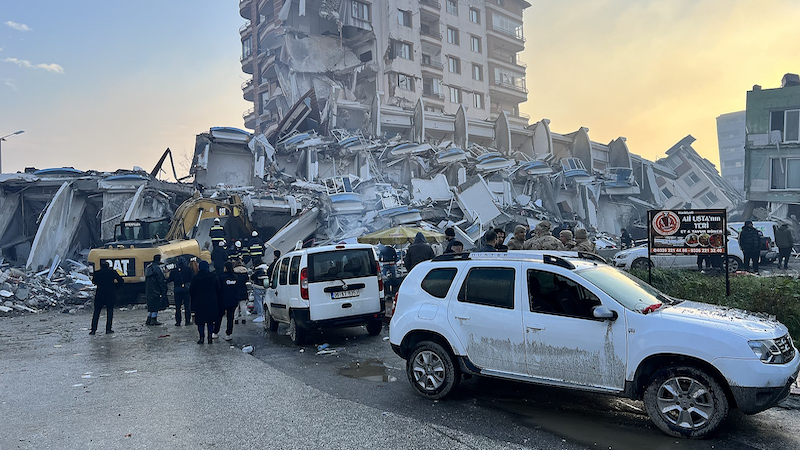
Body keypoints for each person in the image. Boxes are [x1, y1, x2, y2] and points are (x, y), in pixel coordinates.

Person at [190, 260, 220, 344]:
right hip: (211, 301)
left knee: (200, 321)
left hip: (199, 302)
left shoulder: (196, 277)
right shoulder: (213, 276)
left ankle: (201, 338)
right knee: (210, 321)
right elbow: (218, 288)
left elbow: (191, 290)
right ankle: (210, 337)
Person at [90, 261, 123, 335]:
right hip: (110, 293)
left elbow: (94, 282)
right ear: (108, 266)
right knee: (110, 311)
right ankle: (108, 329)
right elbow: (121, 280)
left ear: (101, 266)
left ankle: (93, 330)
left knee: (96, 312)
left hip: (100, 293)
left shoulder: (97, 273)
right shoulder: (112, 272)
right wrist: (115, 287)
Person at [215, 262, 241, 341]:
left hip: (222, 300)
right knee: (230, 318)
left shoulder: (221, 277)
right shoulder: (236, 277)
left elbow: (218, 289)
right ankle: (228, 334)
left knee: (219, 317)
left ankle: (215, 332)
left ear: (225, 268)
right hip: (233, 300)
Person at [166, 257, 193, 326]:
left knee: (178, 307)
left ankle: (178, 322)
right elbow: (192, 279)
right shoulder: (188, 269)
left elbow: (169, 280)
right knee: (187, 306)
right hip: (186, 290)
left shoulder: (174, 271)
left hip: (177, 290)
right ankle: (187, 321)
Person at [144, 254, 168, 326]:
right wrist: (164, 290)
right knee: (155, 304)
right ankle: (153, 319)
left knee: (151, 305)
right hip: (156, 289)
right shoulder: (157, 268)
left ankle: (149, 318)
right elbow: (161, 280)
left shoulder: (148, 267)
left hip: (148, 289)